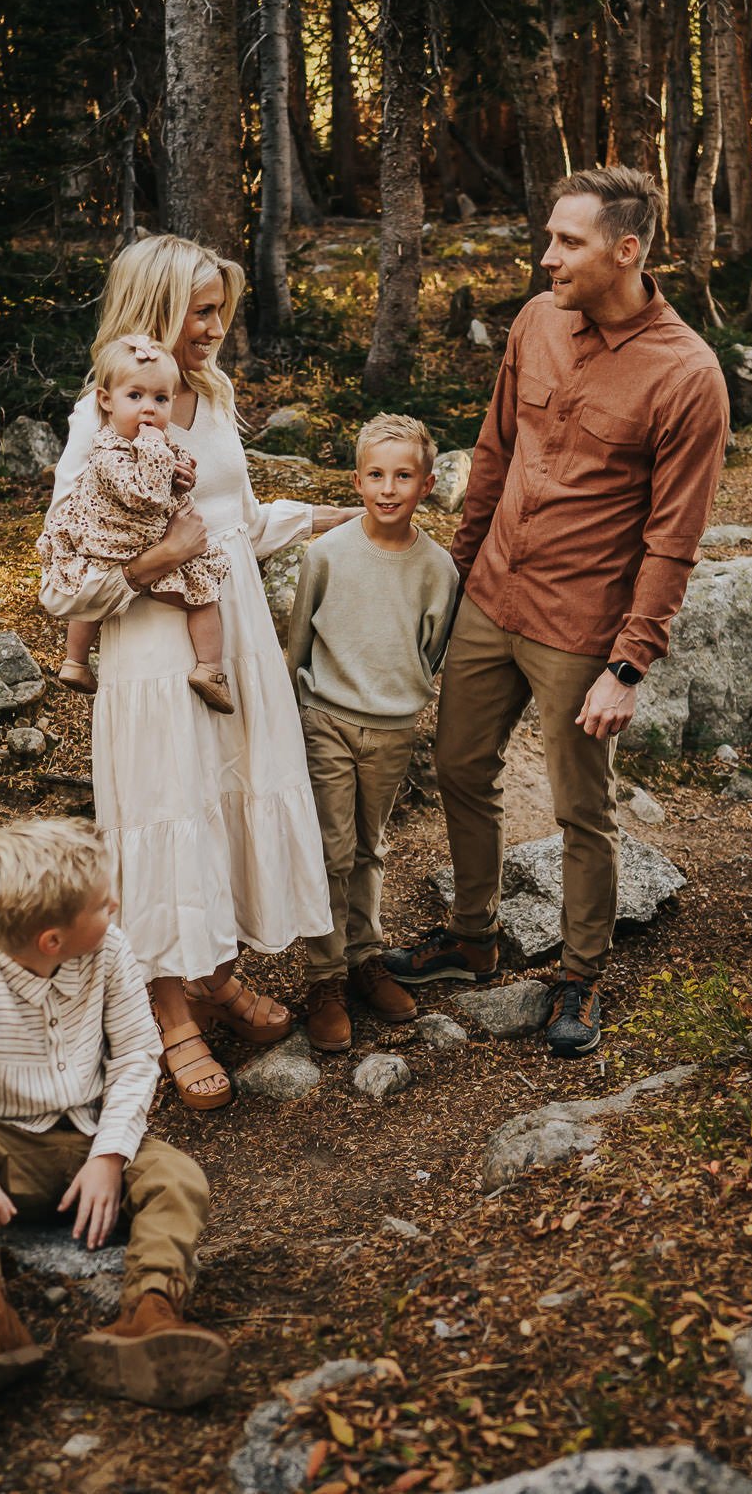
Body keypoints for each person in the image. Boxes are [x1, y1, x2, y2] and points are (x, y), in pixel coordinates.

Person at [384, 167, 730, 1059]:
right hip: (491, 596)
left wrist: (628, 664)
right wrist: (454, 579)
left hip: (582, 627)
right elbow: (495, 451)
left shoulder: (688, 376)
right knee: (460, 765)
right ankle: (471, 936)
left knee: (584, 809)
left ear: (627, 249)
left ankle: (578, 974)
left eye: (567, 243)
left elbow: (673, 538)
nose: (547, 258)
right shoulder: (537, 321)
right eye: (549, 237)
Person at [36, 235, 359, 1108]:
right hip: (147, 642)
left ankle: (213, 974)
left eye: (222, 308)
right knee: (164, 809)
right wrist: (151, 563)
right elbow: (62, 568)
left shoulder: (209, 397)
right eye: (199, 310)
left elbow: (238, 521)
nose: (216, 327)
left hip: (234, 629)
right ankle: (167, 1009)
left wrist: (334, 515)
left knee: (222, 798)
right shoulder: (99, 417)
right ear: (151, 311)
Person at [0, 818, 232, 1410]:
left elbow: (138, 1055)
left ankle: (150, 1311)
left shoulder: (110, 951)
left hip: (91, 1146)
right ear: (53, 939)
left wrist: (111, 1156)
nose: (115, 904)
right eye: (102, 902)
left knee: (177, 1175)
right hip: (5, 1159)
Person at [282, 414, 460, 1051]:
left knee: (369, 845)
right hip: (326, 720)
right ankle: (324, 976)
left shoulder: (438, 568)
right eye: (377, 475)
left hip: (392, 729)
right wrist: (292, 711)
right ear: (357, 480)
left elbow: (431, 650)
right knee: (331, 849)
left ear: (427, 484)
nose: (389, 488)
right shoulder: (326, 554)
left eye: (403, 475)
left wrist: (403, 698)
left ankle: (366, 957)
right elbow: (299, 643)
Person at [43, 335, 238, 714]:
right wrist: (154, 449)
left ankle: (76, 662)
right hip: (124, 546)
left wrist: (182, 475)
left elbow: (168, 478)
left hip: (122, 547)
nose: (149, 409)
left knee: (95, 607)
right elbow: (145, 495)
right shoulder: (108, 451)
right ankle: (210, 668)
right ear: (106, 401)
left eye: (160, 399)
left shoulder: (150, 443)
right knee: (202, 595)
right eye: (135, 397)